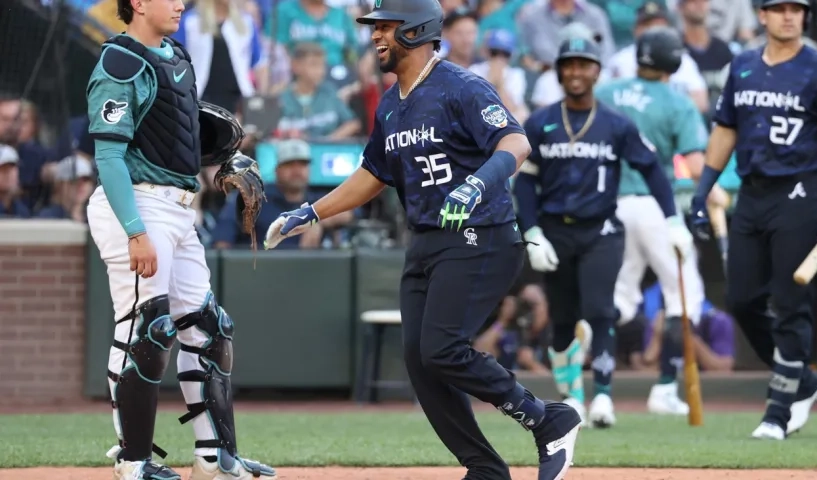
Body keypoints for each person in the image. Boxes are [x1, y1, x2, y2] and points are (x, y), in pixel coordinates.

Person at [264, 0, 583, 478]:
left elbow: (515, 142)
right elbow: (374, 173)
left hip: (482, 234)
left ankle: (548, 419)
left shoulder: (461, 85)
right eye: (375, 27)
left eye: (386, 27)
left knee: (441, 348)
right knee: (420, 361)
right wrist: (311, 211)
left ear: (416, 29)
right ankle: (484, 469)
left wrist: (476, 184)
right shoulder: (392, 102)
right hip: (428, 240)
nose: (376, 36)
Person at [85, 0, 275, 478]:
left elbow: (180, 133)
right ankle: (133, 462)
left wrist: (222, 161)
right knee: (147, 328)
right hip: (134, 204)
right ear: (138, 3)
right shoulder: (119, 61)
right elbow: (109, 156)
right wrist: (135, 232)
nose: (181, 3)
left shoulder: (178, 55)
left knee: (208, 327)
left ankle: (215, 458)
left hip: (179, 205)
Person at [513, 36, 692, 428]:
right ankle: (572, 397)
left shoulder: (615, 123)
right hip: (555, 232)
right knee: (562, 319)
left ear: (597, 71)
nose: (576, 72)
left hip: (602, 230)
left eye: (584, 65)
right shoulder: (540, 122)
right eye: (569, 65)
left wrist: (673, 219)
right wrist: (531, 231)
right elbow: (524, 182)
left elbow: (653, 171)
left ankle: (604, 396)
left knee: (599, 310)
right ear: (558, 71)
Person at [689, 0, 817, 440]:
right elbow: (725, 129)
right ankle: (802, 381)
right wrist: (703, 189)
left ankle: (778, 409)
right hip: (751, 194)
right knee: (742, 298)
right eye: (780, 7)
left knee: (791, 302)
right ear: (763, 15)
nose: (790, 15)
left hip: (802, 191)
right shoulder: (743, 65)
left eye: (798, 9)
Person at [595, 25, 727, 417]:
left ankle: (599, 391)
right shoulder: (677, 101)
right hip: (657, 208)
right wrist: (716, 194)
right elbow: (696, 162)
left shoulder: (605, 92)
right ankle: (665, 387)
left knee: (618, 299)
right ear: (674, 61)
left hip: (608, 206)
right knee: (684, 295)